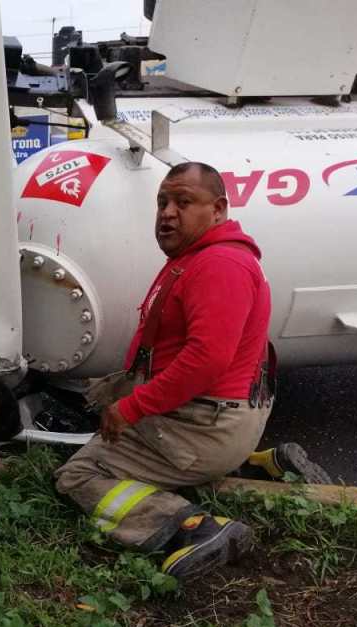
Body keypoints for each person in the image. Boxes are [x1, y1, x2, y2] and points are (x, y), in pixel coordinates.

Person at [54, 161, 326, 581]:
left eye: (183, 201)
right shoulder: (203, 256)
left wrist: (132, 408)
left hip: (205, 426)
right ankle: (258, 463)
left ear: (217, 209)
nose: (166, 212)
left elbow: (207, 359)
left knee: (79, 474)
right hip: (215, 418)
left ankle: (190, 529)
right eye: (162, 202)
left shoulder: (219, 266)